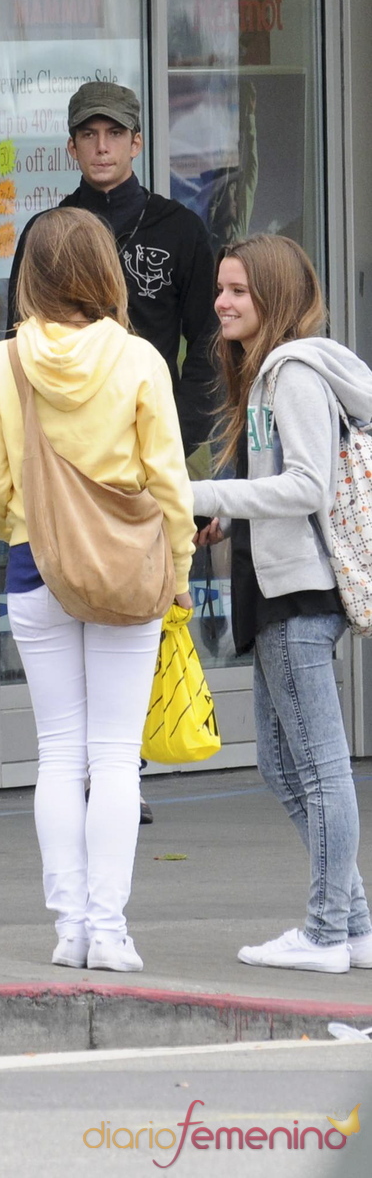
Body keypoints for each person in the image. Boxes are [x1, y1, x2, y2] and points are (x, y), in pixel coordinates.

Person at [0, 207, 195, 973]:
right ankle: (110, 929)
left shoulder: (2, 364)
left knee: (59, 752)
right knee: (116, 757)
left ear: (29, 276)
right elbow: (170, 485)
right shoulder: (139, 360)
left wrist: (20, 526)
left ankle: (69, 928)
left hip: (37, 569)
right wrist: (179, 571)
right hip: (128, 572)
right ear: (105, 273)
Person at [192, 234, 372, 974]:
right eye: (221, 288)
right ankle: (353, 925)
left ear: (275, 296)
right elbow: (279, 479)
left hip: (297, 592)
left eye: (238, 290)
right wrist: (225, 516)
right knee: (280, 764)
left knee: (320, 770)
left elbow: (305, 485)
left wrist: (199, 492)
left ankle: (326, 932)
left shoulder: (291, 372)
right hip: (280, 588)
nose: (222, 302)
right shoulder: (271, 371)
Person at [7, 81, 216, 458]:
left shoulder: (180, 229)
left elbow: (209, 340)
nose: (102, 147)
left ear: (136, 143)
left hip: (155, 431)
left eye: (115, 133)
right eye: (89, 134)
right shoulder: (46, 233)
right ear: (72, 147)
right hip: (64, 442)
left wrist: (177, 435)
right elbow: (19, 334)